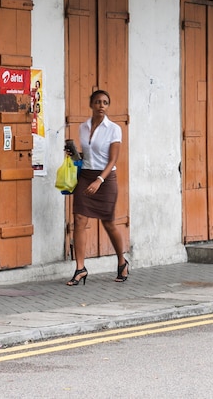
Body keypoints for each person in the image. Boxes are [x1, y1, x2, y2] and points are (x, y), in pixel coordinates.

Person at [65, 89, 129, 285]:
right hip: (85, 175)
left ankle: (121, 261)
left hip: (106, 178)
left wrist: (99, 180)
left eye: (105, 102)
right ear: (91, 104)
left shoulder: (114, 129)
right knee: (79, 219)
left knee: (108, 222)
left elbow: (112, 160)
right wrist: (74, 154)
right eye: (98, 102)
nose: (102, 106)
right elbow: (88, 154)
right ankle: (80, 269)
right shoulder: (83, 127)